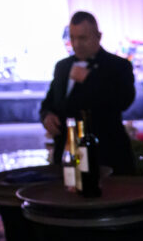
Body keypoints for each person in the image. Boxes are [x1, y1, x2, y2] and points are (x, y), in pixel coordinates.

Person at [40, 11, 136, 175]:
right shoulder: (62, 67)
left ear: (98, 36)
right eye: (73, 37)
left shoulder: (118, 66)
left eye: (82, 38)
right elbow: (49, 103)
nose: (76, 44)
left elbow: (124, 100)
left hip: (108, 155)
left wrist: (90, 79)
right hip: (68, 152)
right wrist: (47, 116)